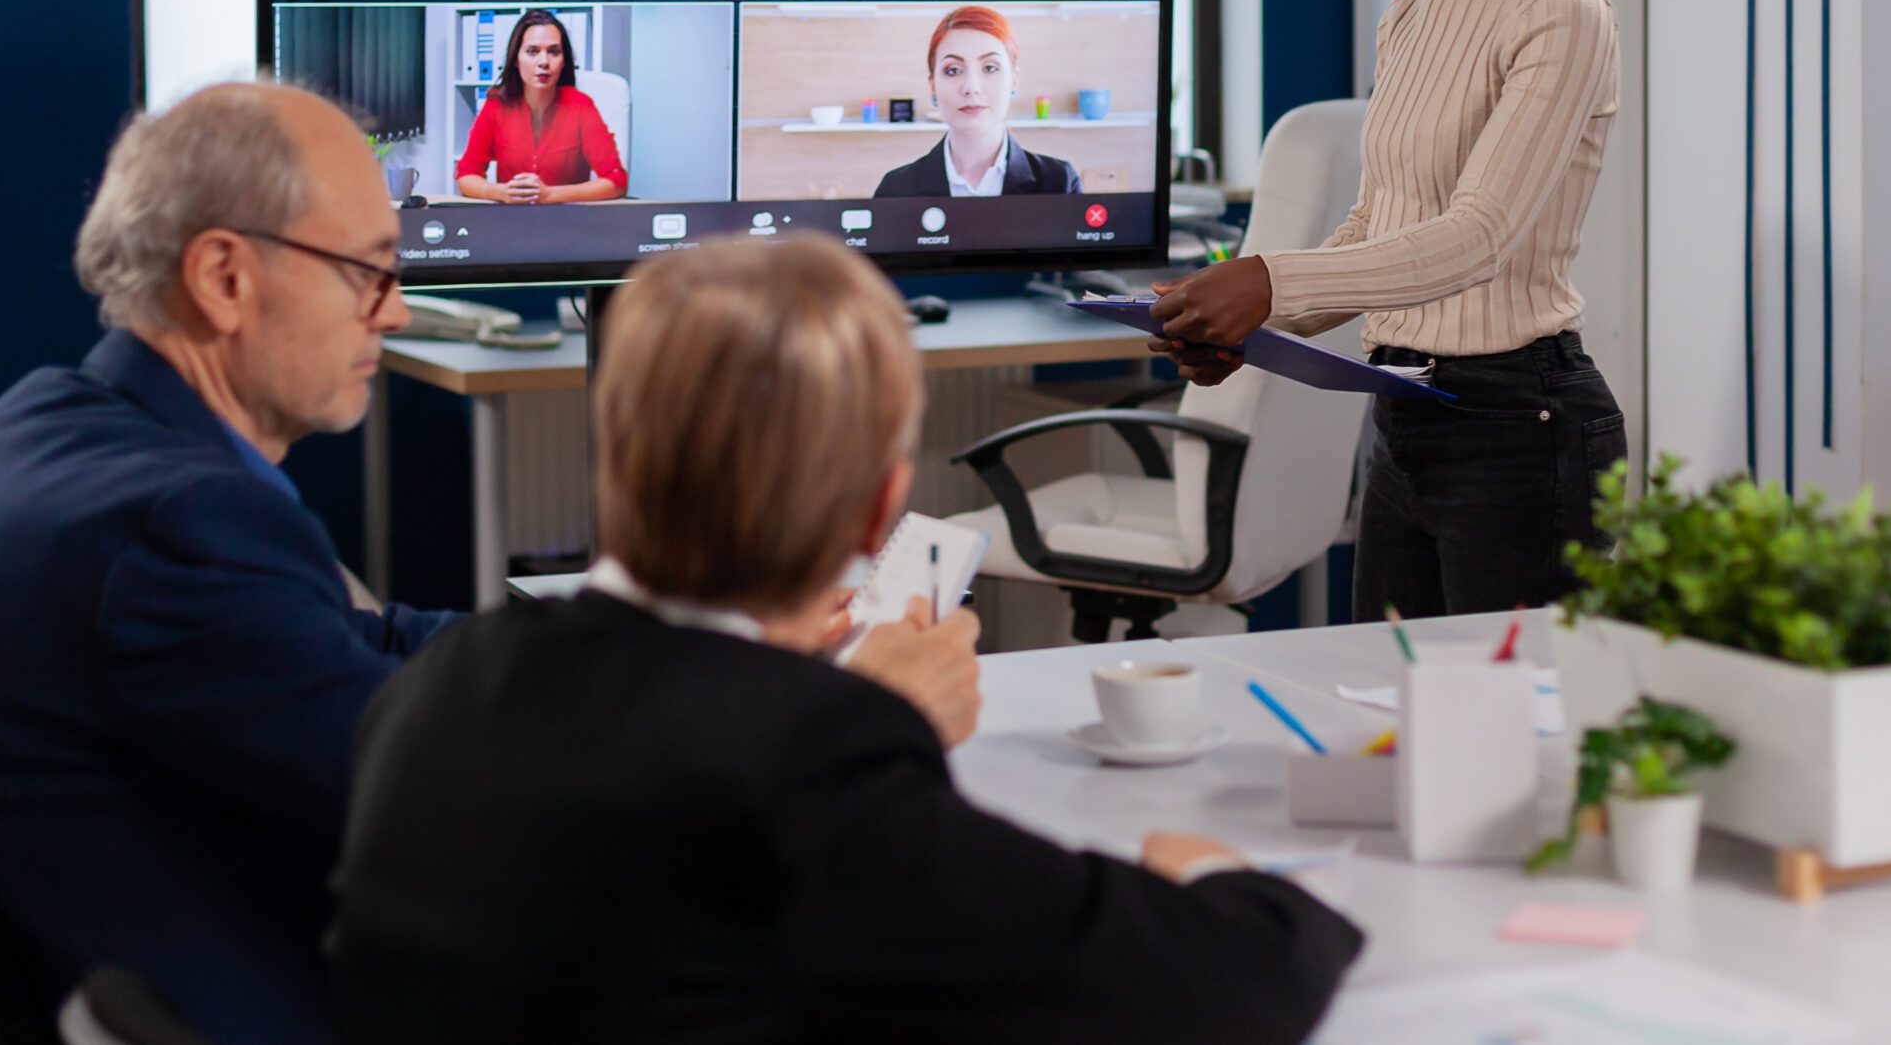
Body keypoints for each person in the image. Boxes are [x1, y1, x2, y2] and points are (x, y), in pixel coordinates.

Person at [328, 238, 1363, 1045]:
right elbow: (1230, 987)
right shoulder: (810, 765)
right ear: (878, 517)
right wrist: (1218, 878)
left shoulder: (437, 686)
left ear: (616, 461)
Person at [0, 83, 457, 1043]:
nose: (397, 313)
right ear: (223, 277)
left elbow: (351, 641)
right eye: (368, 271)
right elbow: (432, 808)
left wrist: (594, 643)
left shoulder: (57, 425)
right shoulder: (177, 521)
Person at [1150, 0, 1623, 622]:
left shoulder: (1561, 13)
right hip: (1403, 412)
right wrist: (1254, 333)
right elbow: (1383, 226)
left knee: (1507, 738)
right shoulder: (1412, 10)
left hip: (1518, 427)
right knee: (1391, 707)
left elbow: (1475, 238)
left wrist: (1269, 282)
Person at [873, 4, 1081, 198]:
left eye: (990, 68)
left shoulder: (1059, 183)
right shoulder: (896, 189)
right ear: (933, 85)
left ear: (1014, 80)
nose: (971, 87)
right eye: (953, 70)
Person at [453, 9, 626, 204]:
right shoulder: (497, 106)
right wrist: (501, 192)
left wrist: (550, 195)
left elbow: (617, 181)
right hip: (511, 222)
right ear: (516, 59)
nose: (543, 62)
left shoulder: (580, 106)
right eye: (532, 51)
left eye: (553, 52)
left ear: (563, 61)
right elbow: (466, 176)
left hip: (569, 224)